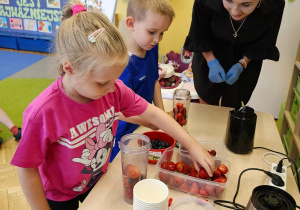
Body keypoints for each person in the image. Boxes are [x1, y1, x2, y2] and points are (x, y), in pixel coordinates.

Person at [10, 1, 214, 209]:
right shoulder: (43, 112)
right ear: (70, 68)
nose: (113, 88)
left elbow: (154, 115)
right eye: (102, 83)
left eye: (114, 79)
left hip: (97, 178)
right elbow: (27, 170)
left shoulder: (113, 89)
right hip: (59, 196)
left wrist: (191, 145)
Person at [184, 0, 285, 108]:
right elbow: (199, 35)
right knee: (207, 104)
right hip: (209, 50)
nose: (235, 11)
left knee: (234, 105)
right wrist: (211, 62)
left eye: (246, 4)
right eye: (229, 1)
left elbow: (263, 43)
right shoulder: (205, 2)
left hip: (247, 55)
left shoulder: (275, 4)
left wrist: (242, 63)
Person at [110, 0, 175, 162]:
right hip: (124, 134)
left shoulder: (151, 47)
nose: (157, 39)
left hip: (144, 125)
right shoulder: (122, 63)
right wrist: (151, 120)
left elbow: (153, 80)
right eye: (152, 32)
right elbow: (118, 111)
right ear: (131, 24)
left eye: (162, 33)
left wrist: (161, 112)